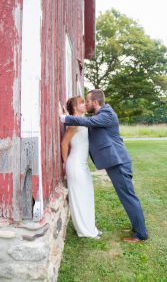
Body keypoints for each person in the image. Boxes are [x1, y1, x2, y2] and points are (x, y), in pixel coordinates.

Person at [60, 89, 148, 243]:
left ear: (95, 102)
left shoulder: (107, 114)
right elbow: (82, 122)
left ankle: (140, 233)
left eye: (87, 101)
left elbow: (88, 122)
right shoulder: (99, 115)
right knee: (126, 196)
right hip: (114, 162)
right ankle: (137, 227)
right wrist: (70, 111)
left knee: (128, 196)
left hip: (118, 162)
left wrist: (65, 118)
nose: (86, 104)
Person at [61, 96, 101, 239]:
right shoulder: (74, 124)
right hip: (75, 165)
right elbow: (64, 143)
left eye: (85, 102)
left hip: (82, 165)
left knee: (87, 196)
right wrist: (65, 164)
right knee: (79, 198)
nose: (85, 104)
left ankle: (90, 227)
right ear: (75, 107)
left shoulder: (81, 121)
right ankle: (84, 231)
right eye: (81, 103)